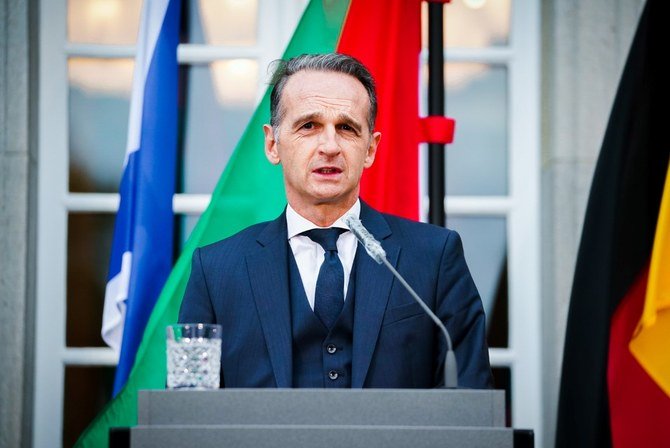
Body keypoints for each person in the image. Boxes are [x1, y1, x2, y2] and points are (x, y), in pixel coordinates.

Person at [179, 53, 493, 389]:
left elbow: (470, 397)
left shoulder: (435, 257)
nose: (330, 146)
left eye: (346, 128)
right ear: (273, 144)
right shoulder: (215, 271)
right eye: (309, 125)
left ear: (370, 149)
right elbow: (189, 409)